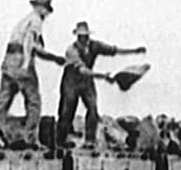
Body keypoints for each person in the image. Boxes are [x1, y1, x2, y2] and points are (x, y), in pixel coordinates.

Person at [56, 20, 146, 150]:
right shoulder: (71, 50)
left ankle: (90, 141)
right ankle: (60, 141)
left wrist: (134, 51)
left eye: (86, 36)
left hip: (87, 81)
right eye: (81, 37)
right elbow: (82, 70)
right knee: (67, 112)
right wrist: (103, 75)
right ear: (77, 37)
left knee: (93, 109)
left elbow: (113, 50)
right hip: (71, 82)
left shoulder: (94, 46)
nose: (84, 39)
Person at [0, 0, 58, 146]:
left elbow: (33, 46)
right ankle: (31, 138)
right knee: (33, 100)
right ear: (40, 8)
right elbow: (29, 42)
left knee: (4, 97)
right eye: (45, 9)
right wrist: (26, 63)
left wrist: (53, 57)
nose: (47, 13)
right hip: (21, 60)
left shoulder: (24, 21)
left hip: (9, 60)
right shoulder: (35, 21)